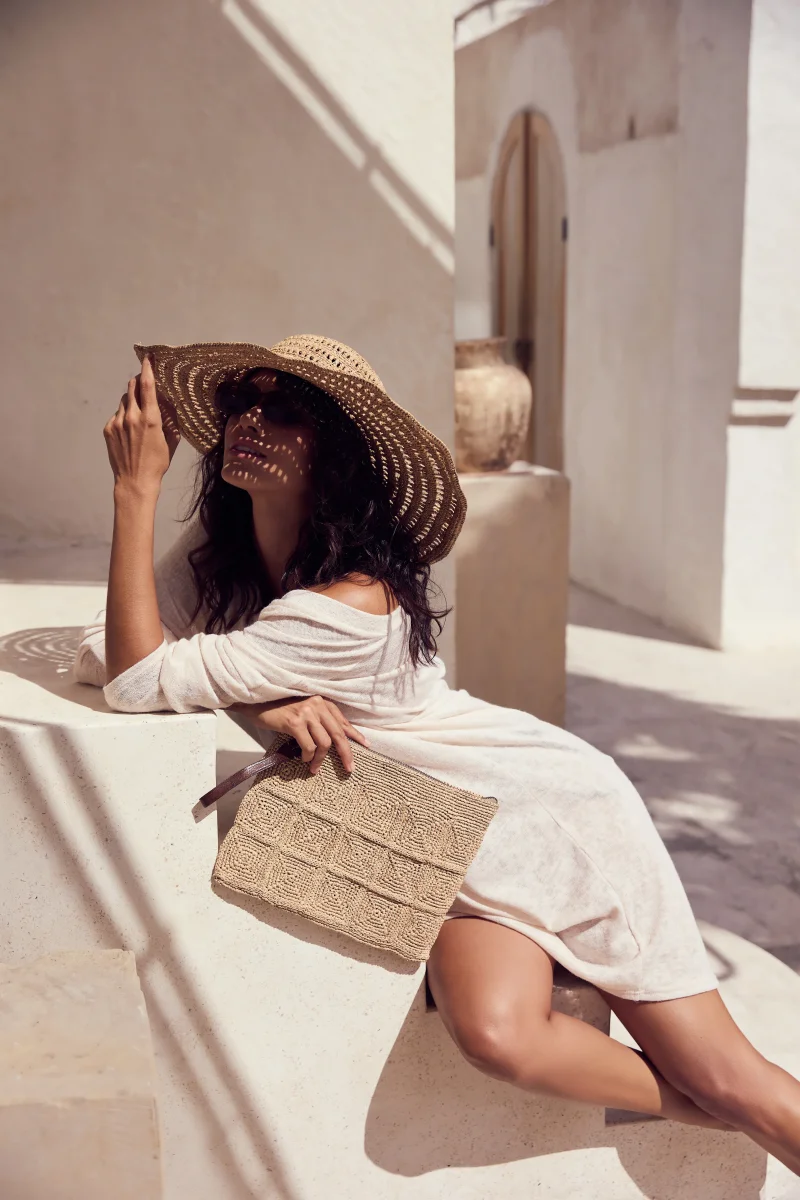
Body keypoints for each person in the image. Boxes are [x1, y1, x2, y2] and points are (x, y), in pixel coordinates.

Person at [74, 335, 800, 1172]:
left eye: (286, 410)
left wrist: (134, 491)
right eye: (244, 400)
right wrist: (260, 699)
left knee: (730, 1077)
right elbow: (105, 647)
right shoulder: (225, 554)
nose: (251, 421)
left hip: (544, 819)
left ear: (337, 455)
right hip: (440, 843)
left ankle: (723, 1101)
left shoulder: (349, 604)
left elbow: (135, 676)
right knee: (498, 1035)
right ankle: (701, 1107)